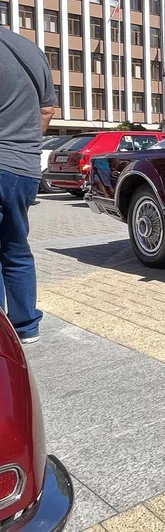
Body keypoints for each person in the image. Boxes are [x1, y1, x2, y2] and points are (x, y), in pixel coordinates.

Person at [0, 29, 57, 344]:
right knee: (15, 247)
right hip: (24, 169)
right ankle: (26, 327)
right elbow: (47, 110)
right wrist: (25, 148)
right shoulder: (31, 50)